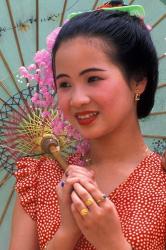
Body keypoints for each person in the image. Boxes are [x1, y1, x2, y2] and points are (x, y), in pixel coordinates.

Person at [9, 3, 166, 250]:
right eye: (65, 84)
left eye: (93, 79)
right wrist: (66, 233)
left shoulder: (161, 179)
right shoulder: (40, 178)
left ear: (138, 81)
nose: (77, 99)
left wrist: (112, 243)